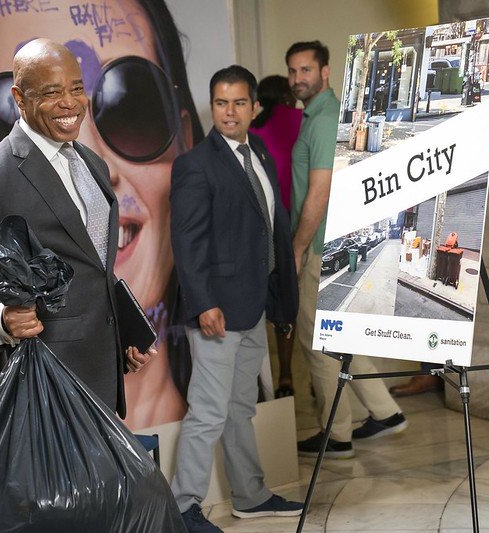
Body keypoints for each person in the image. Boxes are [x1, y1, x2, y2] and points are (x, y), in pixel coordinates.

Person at [0, 0, 202, 427]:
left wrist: (126, 328)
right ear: (19, 98)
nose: (70, 103)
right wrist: (2, 318)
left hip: (104, 379)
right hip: (44, 390)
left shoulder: (90, 164)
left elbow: (94, 265)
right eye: (52, 92)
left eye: (77, 88)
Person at [169, 65, 302, 532]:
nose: (229, 112)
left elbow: (270, 226)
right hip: (217, 311)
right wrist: (203, 302)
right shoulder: (195, 164)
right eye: (221, 103)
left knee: (240, 409)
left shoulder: (258, 151)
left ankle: (250, 494)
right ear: (213, 106)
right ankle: (182, 509)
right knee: (207, 412)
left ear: (253, 107)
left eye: (239, 103)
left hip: (253, 304)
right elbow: (188, 242)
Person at [287, 41, 407, 459]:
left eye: (306, 70)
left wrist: (298, 248)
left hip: (319, 243)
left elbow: (318, 191)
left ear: (325, 71)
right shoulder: (319, 115)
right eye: (293, 71)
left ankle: (336, 434)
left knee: (316, 341)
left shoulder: (321, 120)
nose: (298, 78)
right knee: (339, 339)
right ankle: (386, 412)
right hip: (330, 239)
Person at [249, 74, 303, 399]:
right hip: (292, 224)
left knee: (257, 308)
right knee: (288, 302)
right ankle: (286, 376)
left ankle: (262, 383)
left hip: (258, 228)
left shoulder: (249, 131)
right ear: (285, 94)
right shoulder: (300, 119)